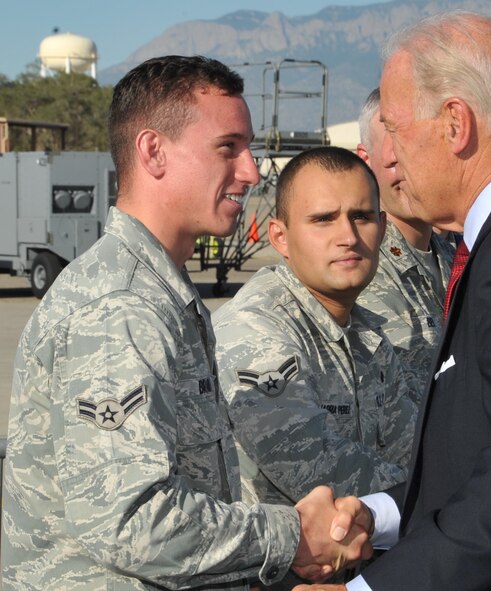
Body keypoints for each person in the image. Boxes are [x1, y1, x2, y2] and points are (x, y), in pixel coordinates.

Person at [1, 55, 372, 591]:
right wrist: (291, 535)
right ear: (153, 151)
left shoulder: (159, 291)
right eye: (228, 148)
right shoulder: (120, 306)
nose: (249, 170)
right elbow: (129, 523)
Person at [294, 9, 491, 591]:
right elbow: (490, 443)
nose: (389, 158)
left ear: (456, 124)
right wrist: (383, 514)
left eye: (396, 130)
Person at [213, 146, 417, 513]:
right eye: (323, 219)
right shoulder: (255, 327)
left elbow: (412, 444)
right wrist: (433, 497)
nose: (348, 237)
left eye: (362, 217)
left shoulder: (367, 334)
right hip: (283, 567)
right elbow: (310, 467)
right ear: (280, 237)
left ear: (383, 229)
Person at [356, 87, 454, 400]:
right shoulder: (356, 270)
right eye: (397, 158)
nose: (413, 173)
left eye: (424, 154)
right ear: (365, 159)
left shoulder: (459, 260)